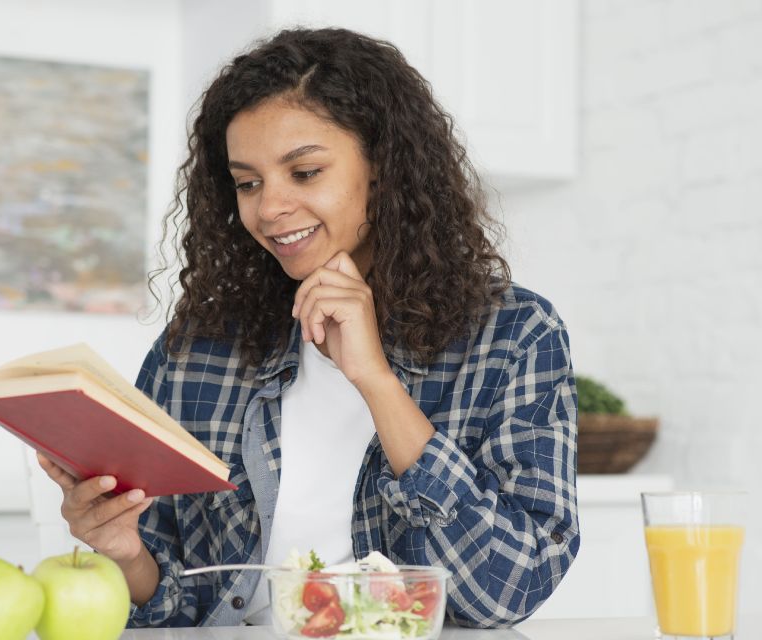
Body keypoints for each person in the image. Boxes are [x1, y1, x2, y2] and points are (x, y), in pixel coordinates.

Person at [37, 27, 579, 629]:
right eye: (248, 182)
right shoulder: (197, 351)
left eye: (304, 172)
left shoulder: (513, 336)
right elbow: (179, 605)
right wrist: (125, 551)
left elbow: (509, 589)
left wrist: (375, 380)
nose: (269, 209)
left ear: (382, 169)